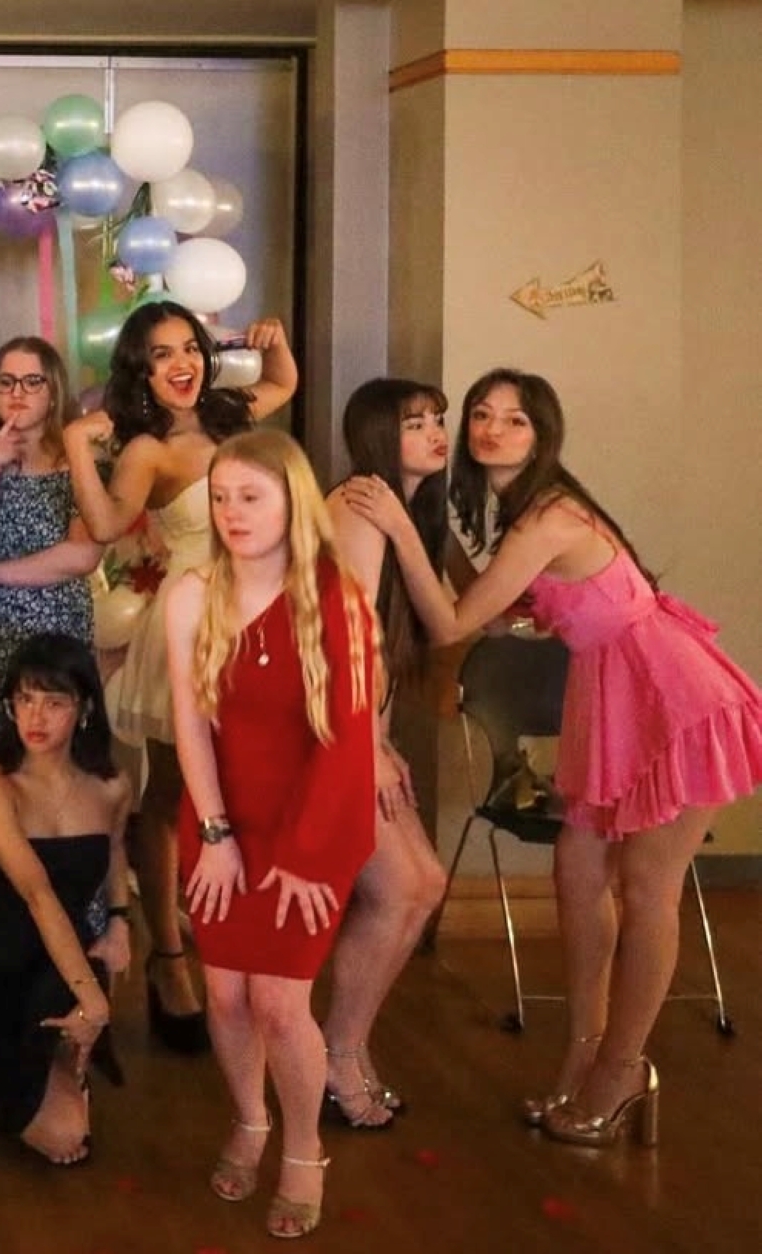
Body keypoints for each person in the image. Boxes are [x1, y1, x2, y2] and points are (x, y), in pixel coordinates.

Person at [342, 368, 762, 1150]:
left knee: (648, 888)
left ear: (543, 435)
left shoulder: (548, 516)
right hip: (614, 700)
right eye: (481, 414)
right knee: (577, 874)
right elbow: (490, 614)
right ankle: (582, 1055)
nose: (491, 429)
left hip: (674, 701)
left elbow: (451, 625)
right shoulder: (521, 516)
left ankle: (622, 1071)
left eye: (516, 420)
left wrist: (400, 527)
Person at [62, 303, 297, 1056]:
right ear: (141, 368)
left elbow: (284, 383)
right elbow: (106, 527)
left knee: (256, 788)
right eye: (161, 354)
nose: (181, 364)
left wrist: (274, 342)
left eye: (189, 348)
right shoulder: (147, 450)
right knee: (172, 795)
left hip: (259, 615)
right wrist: (75, 444)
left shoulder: (233, 416)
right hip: (191, 626)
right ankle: (168, 957)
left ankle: (247, 950)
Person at [164, 428, 376, 1240]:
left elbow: (346, 739)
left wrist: (303, 855)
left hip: (312, 822)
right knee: (224, 993)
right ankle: (250, 1117)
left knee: (281, 1004)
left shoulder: (335, 596)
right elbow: (190, 725)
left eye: (251, 497)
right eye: (221, 497)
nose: (232, 512)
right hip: (220, 814)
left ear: (293, 501)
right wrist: (215, 832)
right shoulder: (192, 593)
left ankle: (303, 1147)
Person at [316, 379, 452, 1128]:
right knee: (401, 888)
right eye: (414, 422)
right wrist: (367, 744)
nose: (435, 432)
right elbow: (347, 639)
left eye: (437, 419)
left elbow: (441, 622)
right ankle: (337, 1055)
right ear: (376, 433)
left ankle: (348, 1047)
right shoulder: (360, 504)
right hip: (332, 732)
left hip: (360, 728)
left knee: (423, 884)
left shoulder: (397, 512)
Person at [0, 634, 132, 1166]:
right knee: (62, 1138)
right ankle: (16, 1071)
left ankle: (60, 1064)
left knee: (72, 1138)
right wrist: (93, 999)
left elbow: (115, 849)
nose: (37, 716)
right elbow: (37, 892)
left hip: (64, 962)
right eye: (24, 699)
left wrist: (120, 920)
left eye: (55, 702)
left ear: (85, 708)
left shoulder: (112, 785)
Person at [0, 337, 103, 766]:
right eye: (6, 382)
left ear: (53, 392)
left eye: (33, 382)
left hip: (54, 630)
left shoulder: (79, 464)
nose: (18, 392)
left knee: (51, 758)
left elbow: (82, 556)